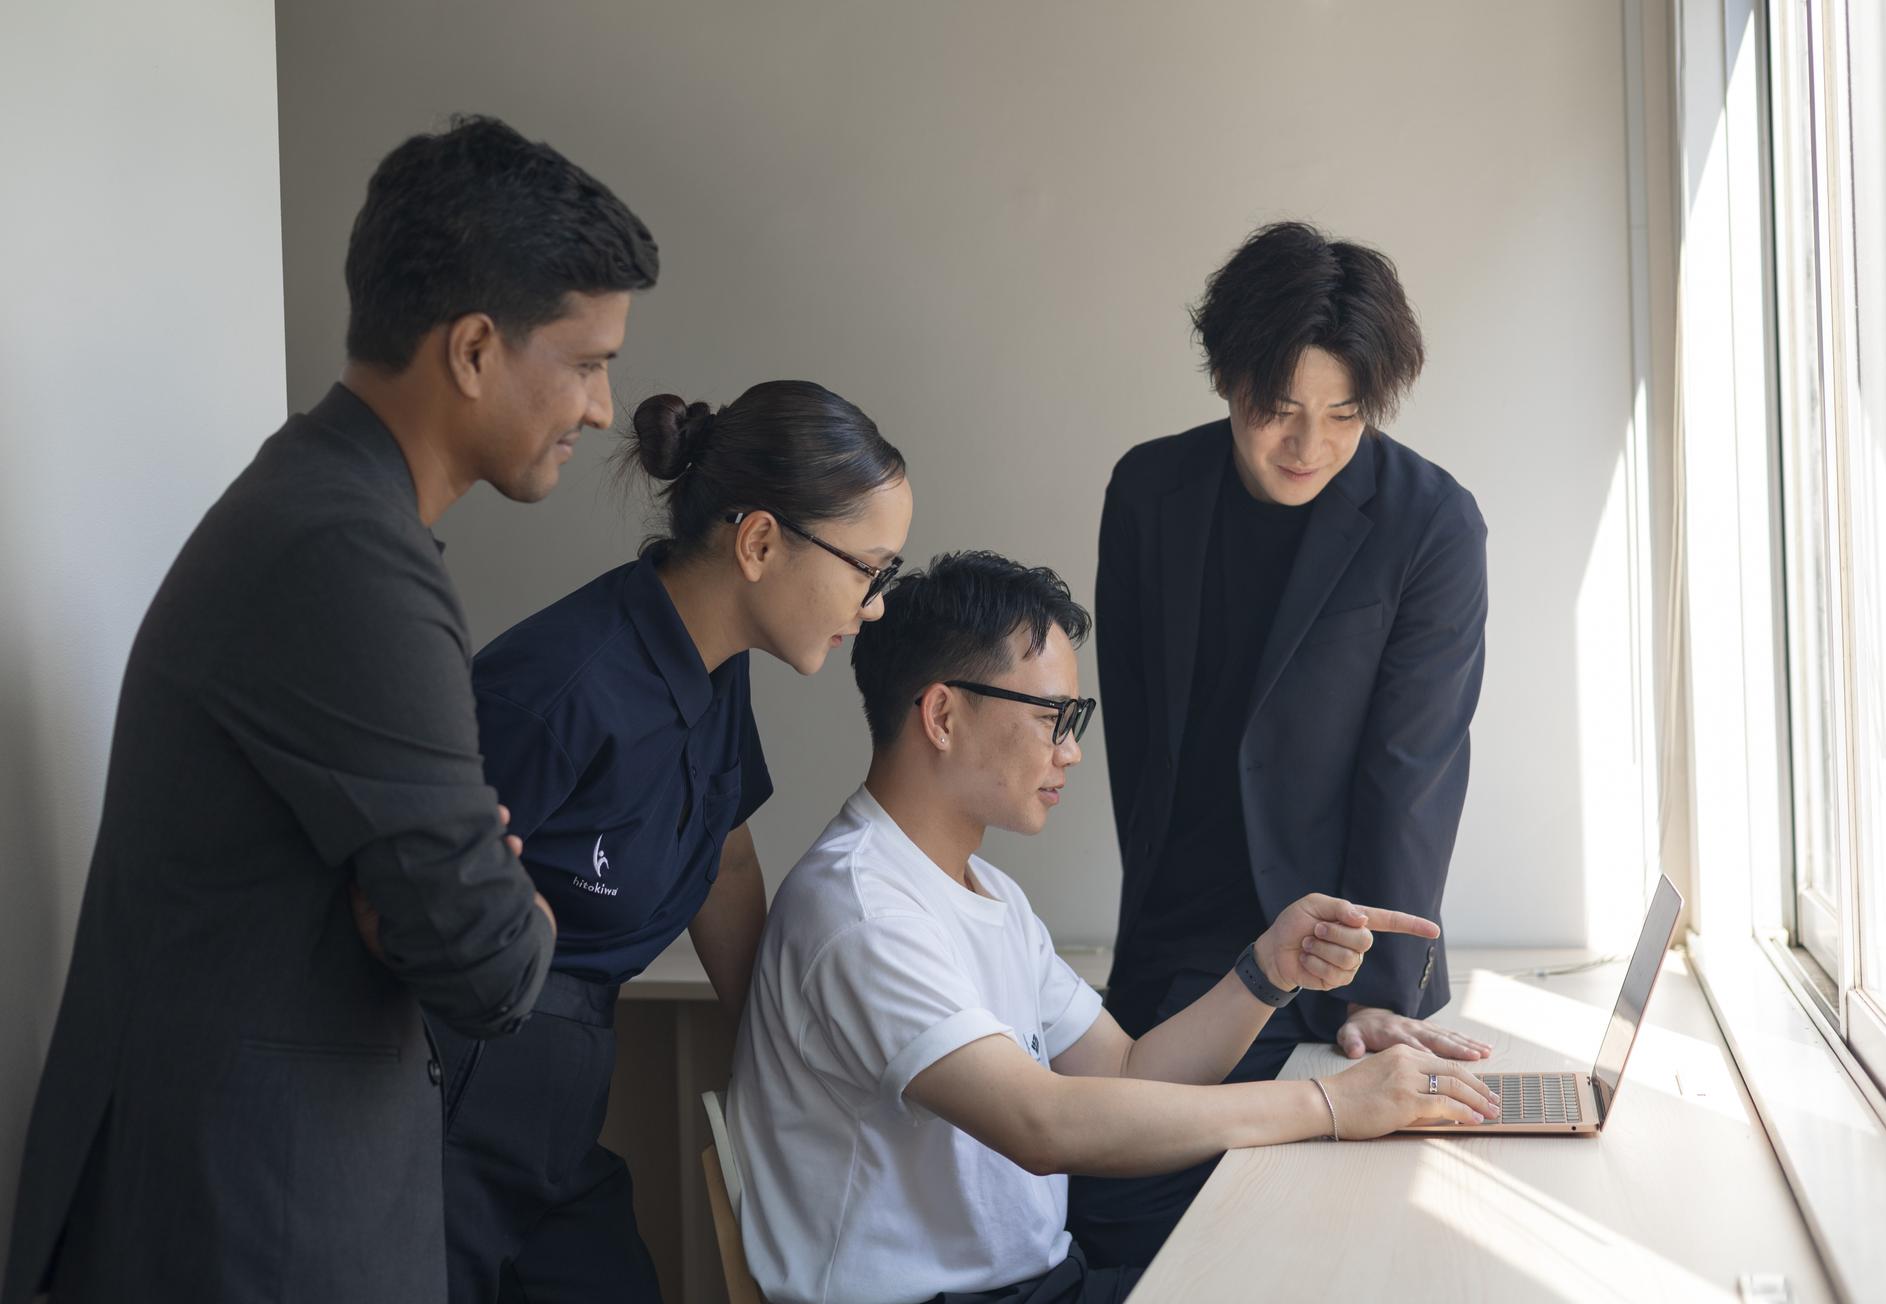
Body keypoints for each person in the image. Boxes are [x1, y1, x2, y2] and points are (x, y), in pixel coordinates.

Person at [0, 115, 660, 1304]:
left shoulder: (320, 504)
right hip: (246, 1225)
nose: (605, 407)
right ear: (473, 349)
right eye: (585, 361)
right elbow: (486, 962)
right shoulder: (347, 553)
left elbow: (445, 910)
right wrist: (504, 906)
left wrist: (454, 892)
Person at [727, 551, 1500, 1304]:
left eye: (1076, 720)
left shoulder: (987, 893)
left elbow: (1129, 1070)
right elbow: (1041, 1123)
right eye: (1052, 718)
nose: (1070, 752)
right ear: (942, 715)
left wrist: (1267, 971)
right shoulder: (863, 911)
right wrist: (1330, 1105)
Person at [1067, 220, 1493, 1266]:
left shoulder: (1430, 524)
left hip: (1343, 976)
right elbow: (1138, 741)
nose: (1308, 445)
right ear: (1228, 379)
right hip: (1177, 963)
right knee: (1131, 1244)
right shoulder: (1148, 493)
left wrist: (1378, 994)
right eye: (1278, 410)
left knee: (1317, 1257)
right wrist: (1156, 935)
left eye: (1343, 415)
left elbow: (1413, 768)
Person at [438, 380, 911, 1302]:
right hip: (448, 1101)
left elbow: (723, 859)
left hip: (559, 1097)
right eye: (870, 570)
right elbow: (412, 904)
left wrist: (782, 1055)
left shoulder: (714, 666)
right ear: (759, 542)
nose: (876, 606)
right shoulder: (560, 687)